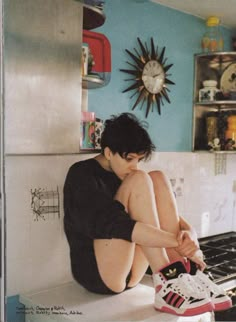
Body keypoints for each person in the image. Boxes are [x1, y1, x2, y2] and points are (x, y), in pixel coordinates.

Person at [63, 113, 232, 317]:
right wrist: (175, 242)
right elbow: (120, 226)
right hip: (100, 275)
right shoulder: (81, 174)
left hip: (132, 273)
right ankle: (168, 279)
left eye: (138, 159)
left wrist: (190, 240)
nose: (134, 165)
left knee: (157, 178)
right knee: (141, 179)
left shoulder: (124, 173)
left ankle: (185, 274)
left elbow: (174, 220)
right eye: (129, 159)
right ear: (108, 152)